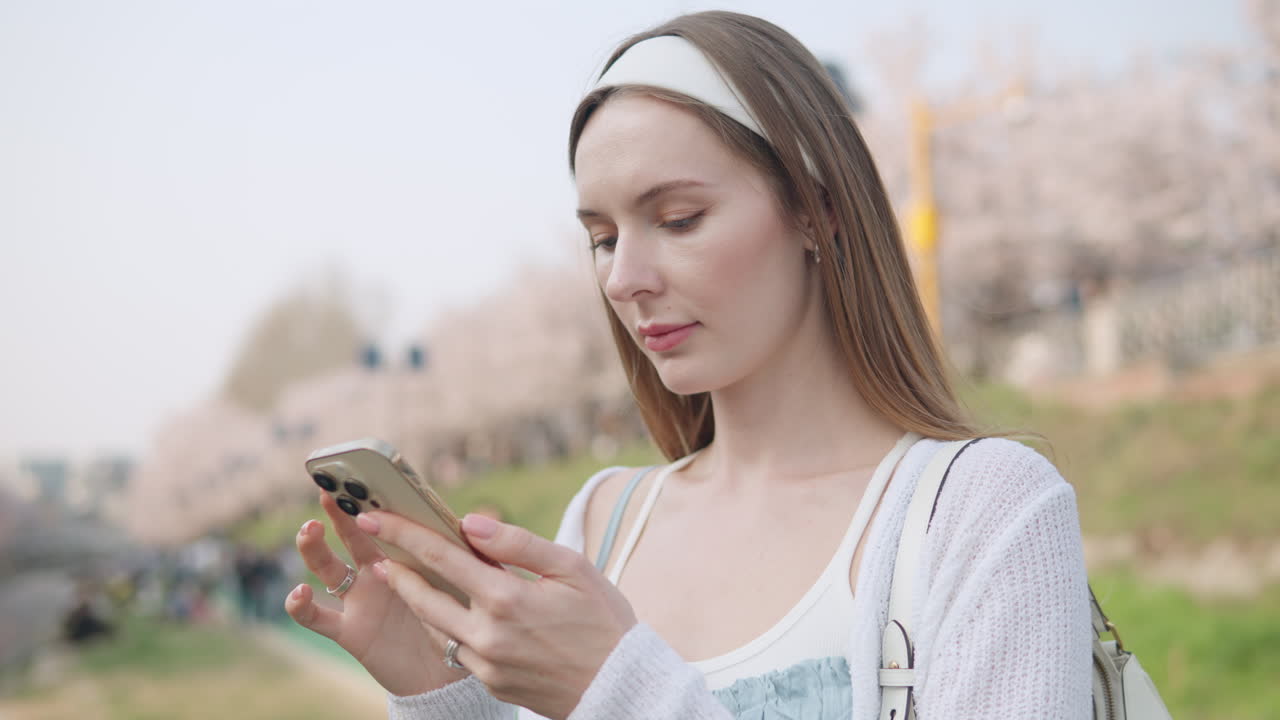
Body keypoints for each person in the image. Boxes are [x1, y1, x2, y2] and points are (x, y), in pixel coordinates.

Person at [284, 11, 1092, 719]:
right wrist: (442, 694)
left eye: (678, 219)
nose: (623, 278)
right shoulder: (602, 523)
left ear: (816, 211)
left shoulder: (983, 510)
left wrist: (615, 689)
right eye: (603, 239)